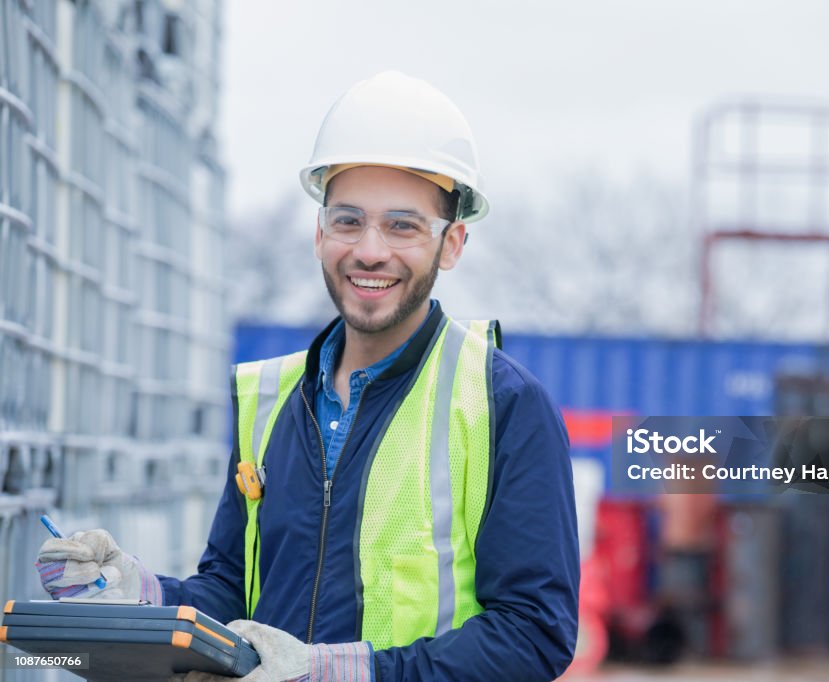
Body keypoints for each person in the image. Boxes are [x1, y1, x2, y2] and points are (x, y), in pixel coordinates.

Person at [35, 71, 580, 681]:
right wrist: (136, 600)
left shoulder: (500, 404)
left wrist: (340, 671)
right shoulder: (269, 401)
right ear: (320, 233)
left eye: (403, 225)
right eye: (349, 221)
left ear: (451, 244)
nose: (370, 250)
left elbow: (533, 633)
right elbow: (236, 598)